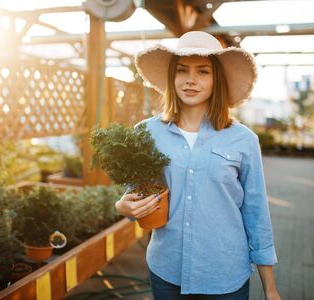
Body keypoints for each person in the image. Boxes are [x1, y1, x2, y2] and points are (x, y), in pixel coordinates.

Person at [115, 31, 280, 300]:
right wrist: (122, 206)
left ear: (217, 80)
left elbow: (256, 213)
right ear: (173, 77)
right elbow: (134, 194)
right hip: (167, 270)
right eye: (182, 71)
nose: (191, 80)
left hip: (225, 276)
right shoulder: (146, 133)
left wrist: (270, 288)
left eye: (203, 71)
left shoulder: (244, 140)